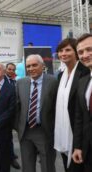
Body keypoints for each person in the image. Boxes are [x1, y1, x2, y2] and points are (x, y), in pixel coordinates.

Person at [15, 54, 58, 172]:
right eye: (28, 66)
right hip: (25, 131)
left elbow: (57, 107)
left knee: (47, 166)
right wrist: (18, 127)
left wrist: (53, 128)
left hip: (44, 131)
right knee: (27, 166)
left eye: (34, 65)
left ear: (42, 66)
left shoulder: (53, 81)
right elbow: (17, 108)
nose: (31, 68)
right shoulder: (20, 83)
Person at [54, 38, 89, 172]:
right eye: (60, 51)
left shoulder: (84, 72)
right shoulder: (60, 75)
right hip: (63, 132)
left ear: (76, 52)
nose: (63, 53)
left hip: (78, 133)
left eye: (68, 50)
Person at [72, 33, 92, 172]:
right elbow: (80, 118)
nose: (85, 55)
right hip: (88, 149)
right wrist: (78, 146)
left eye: (89, 49)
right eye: (80, 52)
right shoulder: (82, 82)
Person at [4, 63, 21, 170]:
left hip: (13, 115)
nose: (11, 71)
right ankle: (10, 158)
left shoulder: (15, 82)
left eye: (13, 69)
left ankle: (10, 154)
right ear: (5, 69)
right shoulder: (1, 81)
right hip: (3, 115)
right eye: (9, 69)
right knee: (6, 137)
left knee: (9, 137)